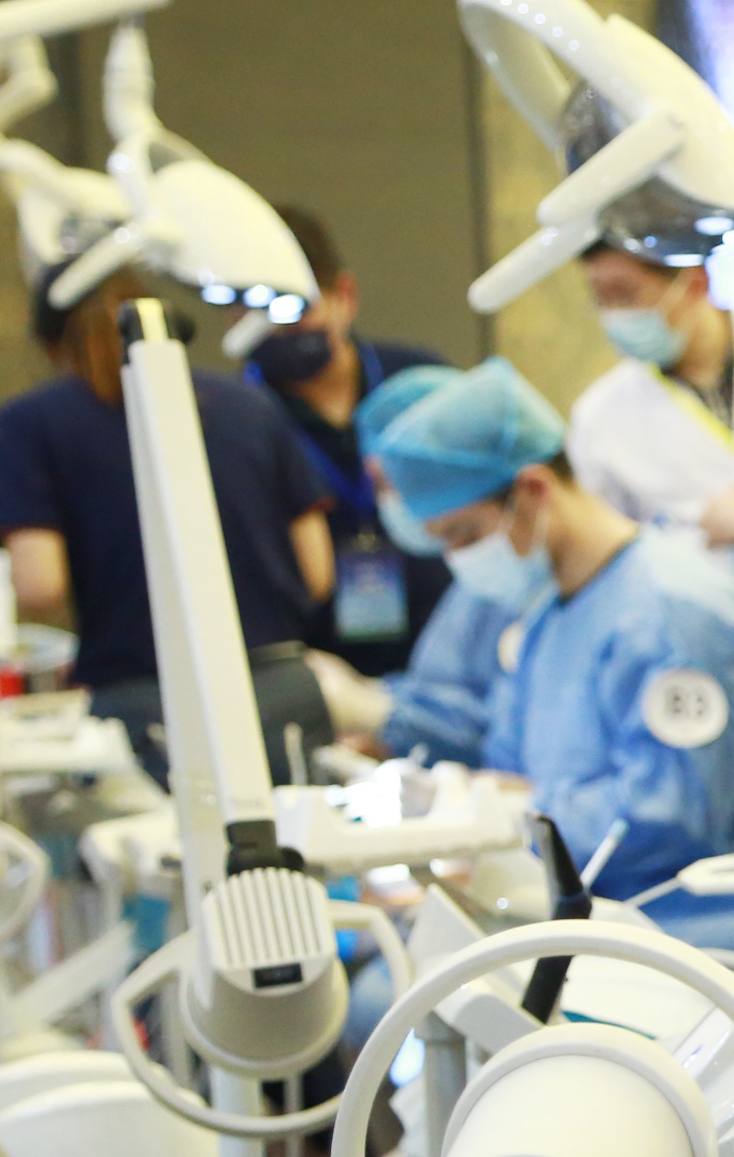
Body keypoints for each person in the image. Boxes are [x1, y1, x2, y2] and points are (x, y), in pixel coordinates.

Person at [371, 359, 734, 949]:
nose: (460, 560)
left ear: (534, 490)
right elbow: (512, 765)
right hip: (588, 922)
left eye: (466, 535)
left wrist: (518, 822)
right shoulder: (548, 617)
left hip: (698, 937)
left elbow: (672, 815)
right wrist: (465, 802)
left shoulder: (671, 614)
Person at [0, 269, 337, 784]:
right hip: (283, 691)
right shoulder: (250, 405)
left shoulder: (33, 422)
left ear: (50, 346)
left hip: (148, 702)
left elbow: (41, 583)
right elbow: (317, 575)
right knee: (293, 833)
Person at [248, 207, 456, 677]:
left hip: (443, 645)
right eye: (256, 313)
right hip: (317, 665)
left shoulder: (421, 381)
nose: (278, 330)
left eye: (294, 309)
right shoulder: (242, 418)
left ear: (344, 295)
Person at [566, 243, 734, 580]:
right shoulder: (598, 416)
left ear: (695, 283)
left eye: (626, 294)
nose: (616, 315)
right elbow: (606, 553)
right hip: (697, 605)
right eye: (602, 299)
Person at [345, 365, 520, 766]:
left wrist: (384, 716)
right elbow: (443, 686)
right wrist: (375, 699)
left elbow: (499, 731)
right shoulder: (474, 580)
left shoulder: (512, 576)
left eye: (388, 479)